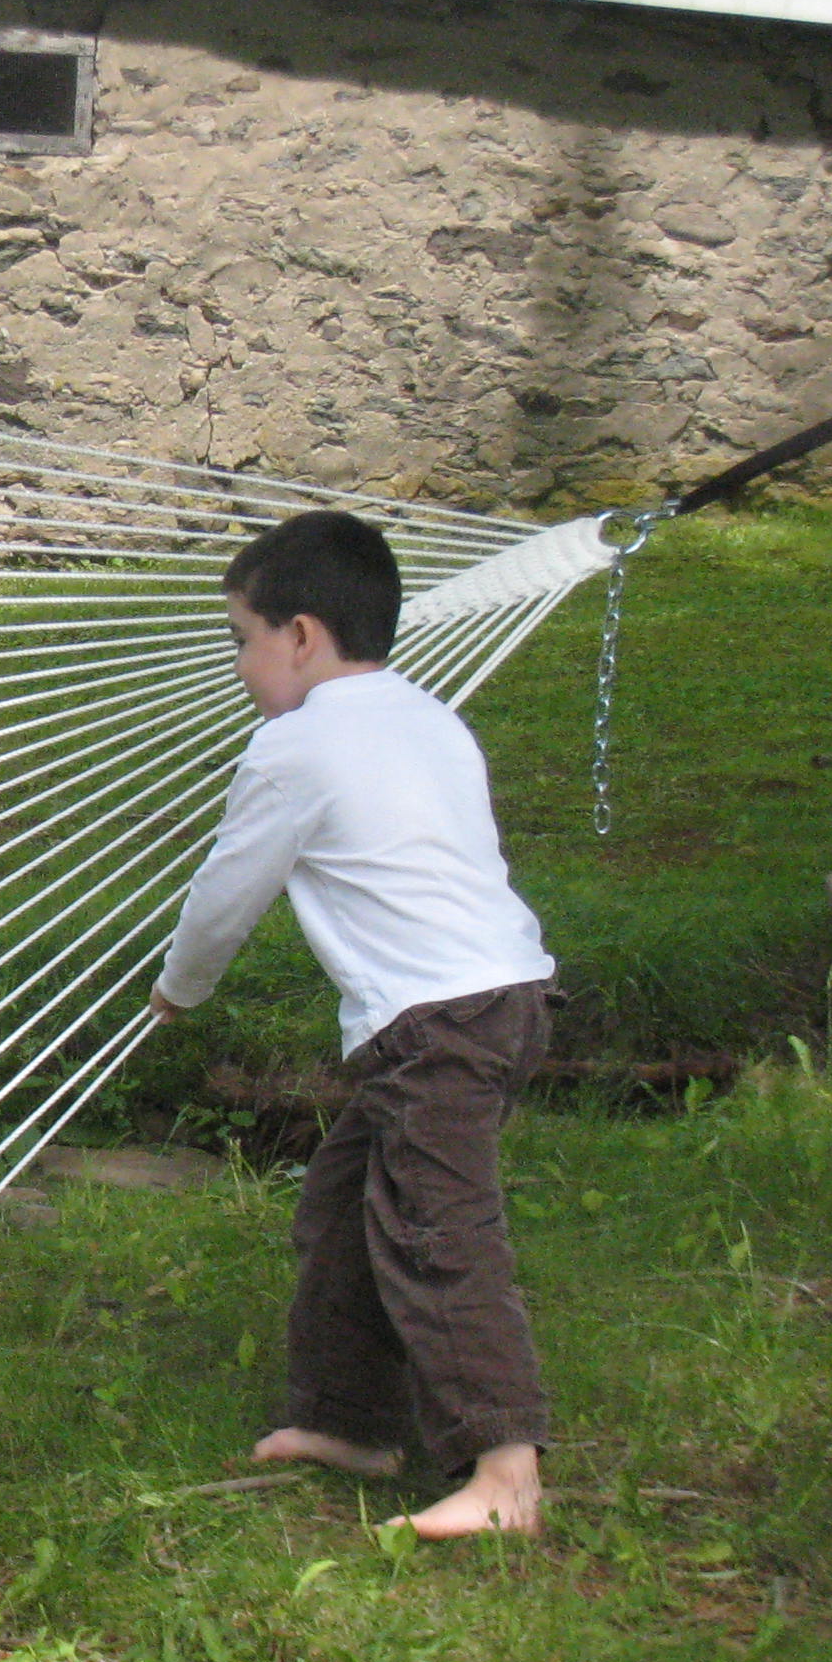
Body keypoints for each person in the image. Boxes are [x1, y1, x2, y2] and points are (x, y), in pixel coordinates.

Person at [147, 510, 557, 1540]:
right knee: (342, 1210)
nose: (238, 665)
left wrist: (179, 989)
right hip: (508, 997)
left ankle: (504, 1472)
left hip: (436, 1025)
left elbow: (226, 892)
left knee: (438, 1233)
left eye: (242, 638)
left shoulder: (295, 746)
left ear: (300, 636)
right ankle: (351, 1422)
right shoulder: (432, 718)